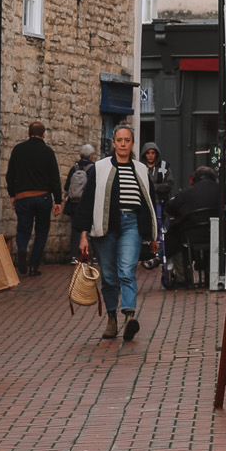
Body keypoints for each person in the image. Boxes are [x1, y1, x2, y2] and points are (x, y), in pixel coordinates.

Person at [68, 123, 157, 344]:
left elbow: (150, 204)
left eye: (127, 140)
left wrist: (153, 235)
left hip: (132, 225)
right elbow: (87, 202)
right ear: (114, 143)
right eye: (120, 140)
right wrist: (82, 235)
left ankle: (128, 316)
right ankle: (111, 318)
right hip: (104, 225)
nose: (123, 144)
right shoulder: (100, 168)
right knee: (108, 276)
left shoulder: (141, 170)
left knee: (126, 270)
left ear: (133, 143)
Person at [4, 121, 62, 276]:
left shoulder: (18, 150)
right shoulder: (48, 152)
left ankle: (22, 248)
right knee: (42, 231)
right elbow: (54, 178)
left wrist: (12, 194)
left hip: (23, 196)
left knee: (23, 228)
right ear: (44, 134)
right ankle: (34, 265)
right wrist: (58, 200)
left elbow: (10, 175)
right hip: (43, 197)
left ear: (28, 133)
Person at [163, 164, 222, 290]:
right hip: (215, 234)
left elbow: (169, 206)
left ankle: (182, 278)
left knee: (174, 237)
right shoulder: (221, 191)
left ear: (194, 179)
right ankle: (211, 275)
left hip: (191, 236)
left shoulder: (187, 193)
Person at [64, 143, 96, 226]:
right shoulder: (93, 168)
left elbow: (66, 187)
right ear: (91, 156)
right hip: (86, 205)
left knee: (75, 229)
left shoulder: (74, 168)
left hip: (73, 204)